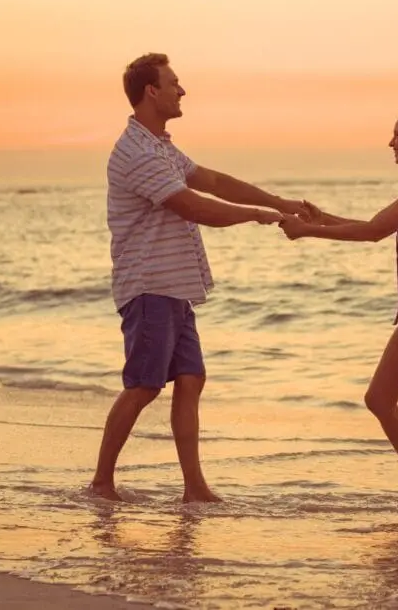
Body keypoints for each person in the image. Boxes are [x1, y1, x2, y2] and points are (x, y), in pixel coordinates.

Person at [90, 53, 310, 502]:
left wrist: (280, 201)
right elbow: (192, 206)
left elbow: (211, 180)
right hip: (149, 285)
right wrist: (257, 215)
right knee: (145, 385)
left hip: (175, 287)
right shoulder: (134, 152)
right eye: (174, 82)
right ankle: (101, 482)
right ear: (151, 91)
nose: (182, 90)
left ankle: (195, 488)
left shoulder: (161, 146)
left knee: (191, 380)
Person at [279, 108, 398, 512]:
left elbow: (373, 232)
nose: (391, 142)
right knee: (380, 399)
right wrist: (324, 218)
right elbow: (377, 224)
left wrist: (308, 232)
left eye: (397, 135)